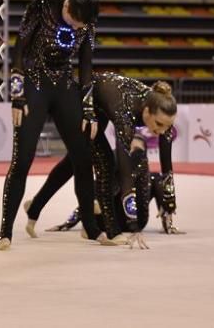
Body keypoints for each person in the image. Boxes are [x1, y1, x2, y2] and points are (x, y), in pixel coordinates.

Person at [0, 0, 101, 251]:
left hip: (64, 86)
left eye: (81, 26)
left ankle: (91, 227)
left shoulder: (87, 23)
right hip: (35, 84)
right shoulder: (41, 6)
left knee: (83, 156)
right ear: (67, 6)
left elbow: (86, 66)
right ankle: (5, 231)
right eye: (74, 22)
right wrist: (17, 94)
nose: (77, 28)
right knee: (23, 159)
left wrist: (88, 109)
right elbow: (19, 49)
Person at [25, 74, 180, 249]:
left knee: (72, 162)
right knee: (105, 163)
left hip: (102, 106)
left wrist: (169, 198)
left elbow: (167, 166)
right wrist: (134, 225)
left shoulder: (163, 115)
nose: (162, 130)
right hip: (82, 101)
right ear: (146, 112)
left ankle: (34, 207)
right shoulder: (126, 113)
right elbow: (125, 171)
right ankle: (113, 231)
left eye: (168, 126)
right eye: (159, 125)